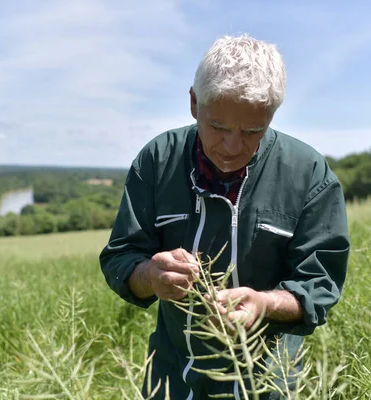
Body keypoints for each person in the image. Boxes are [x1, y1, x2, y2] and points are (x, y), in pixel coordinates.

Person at [99, 34, 350, 399]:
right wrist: (151, 276)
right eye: (217, 126)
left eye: (252, 131)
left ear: (272, 115)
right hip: (173, 380)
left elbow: (319, 287)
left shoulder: (308, 173)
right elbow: (120, 258)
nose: (233, 147)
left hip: (268, 383)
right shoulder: (158, 160)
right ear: (193, 103)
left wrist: (264, 304)